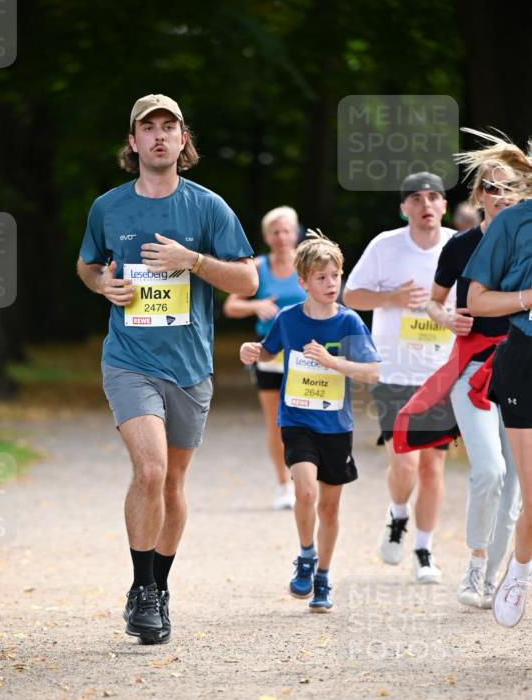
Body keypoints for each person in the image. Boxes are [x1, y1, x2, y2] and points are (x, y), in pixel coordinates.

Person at [76, 94, 257, 644]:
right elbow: (87, 264)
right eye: (148, 127)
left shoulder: (208, 208)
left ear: (183, 140)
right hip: (129, 360)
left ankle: (160, 584)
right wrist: (102, 284)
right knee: (151, 471)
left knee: (174, 482)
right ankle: (142, 590)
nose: (159, 135)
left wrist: (192, 260)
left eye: (169, 127)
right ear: (133, 142)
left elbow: (248, 281)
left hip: (190, 367)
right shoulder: (108, 207)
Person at [240, 230, 380, 612]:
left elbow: (372, 372)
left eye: (335, 276)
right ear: (303, 282)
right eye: (321, 277)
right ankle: (306, 554)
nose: (331, 283)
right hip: (297, 418)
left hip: (336, 426)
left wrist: (333, 362)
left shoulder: (349, 322)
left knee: (330, 509)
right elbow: (267, 352)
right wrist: (251, 351)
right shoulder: (288, 319)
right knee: (305, 491)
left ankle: (323, 577)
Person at [428, 140, 529, 608]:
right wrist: (448, 318)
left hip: (518, 363)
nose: (500, 194)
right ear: (477, 195)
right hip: (473, 369)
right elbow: (434, 302)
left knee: (515, 486)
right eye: (491, 187)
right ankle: (475, 563)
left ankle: (492, 580)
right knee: (489, 469)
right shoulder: (461, 245)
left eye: (508, 187)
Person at [343, 172, 455, 584]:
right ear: (404, 207)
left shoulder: (458, 246)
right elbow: (351, 295)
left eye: (433, 196)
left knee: (432, 468)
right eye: (416, 198)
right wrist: (392, 297)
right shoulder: (385, 246)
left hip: (441, 371)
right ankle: (397, 513)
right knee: (405, 465)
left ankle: (424, 550)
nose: (426, 204)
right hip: (392, 369)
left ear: (444, 205)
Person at [465, 136, 532, 628]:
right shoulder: (512, 223)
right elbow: (477, 300)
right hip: (524, 358)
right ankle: (520, 571)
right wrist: (528, 297)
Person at [223, 206, 306, 509]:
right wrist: (255, 305)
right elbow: (231, 306)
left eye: (286, 231)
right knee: (276, 423)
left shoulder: (307, 263)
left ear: (295, 233)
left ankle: (306, 480)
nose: (281, 237)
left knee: (307, 420)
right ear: (266, 236)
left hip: (306, 352)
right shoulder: (257, 267)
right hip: (269, 351)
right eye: (275, 232)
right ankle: (284, 485)